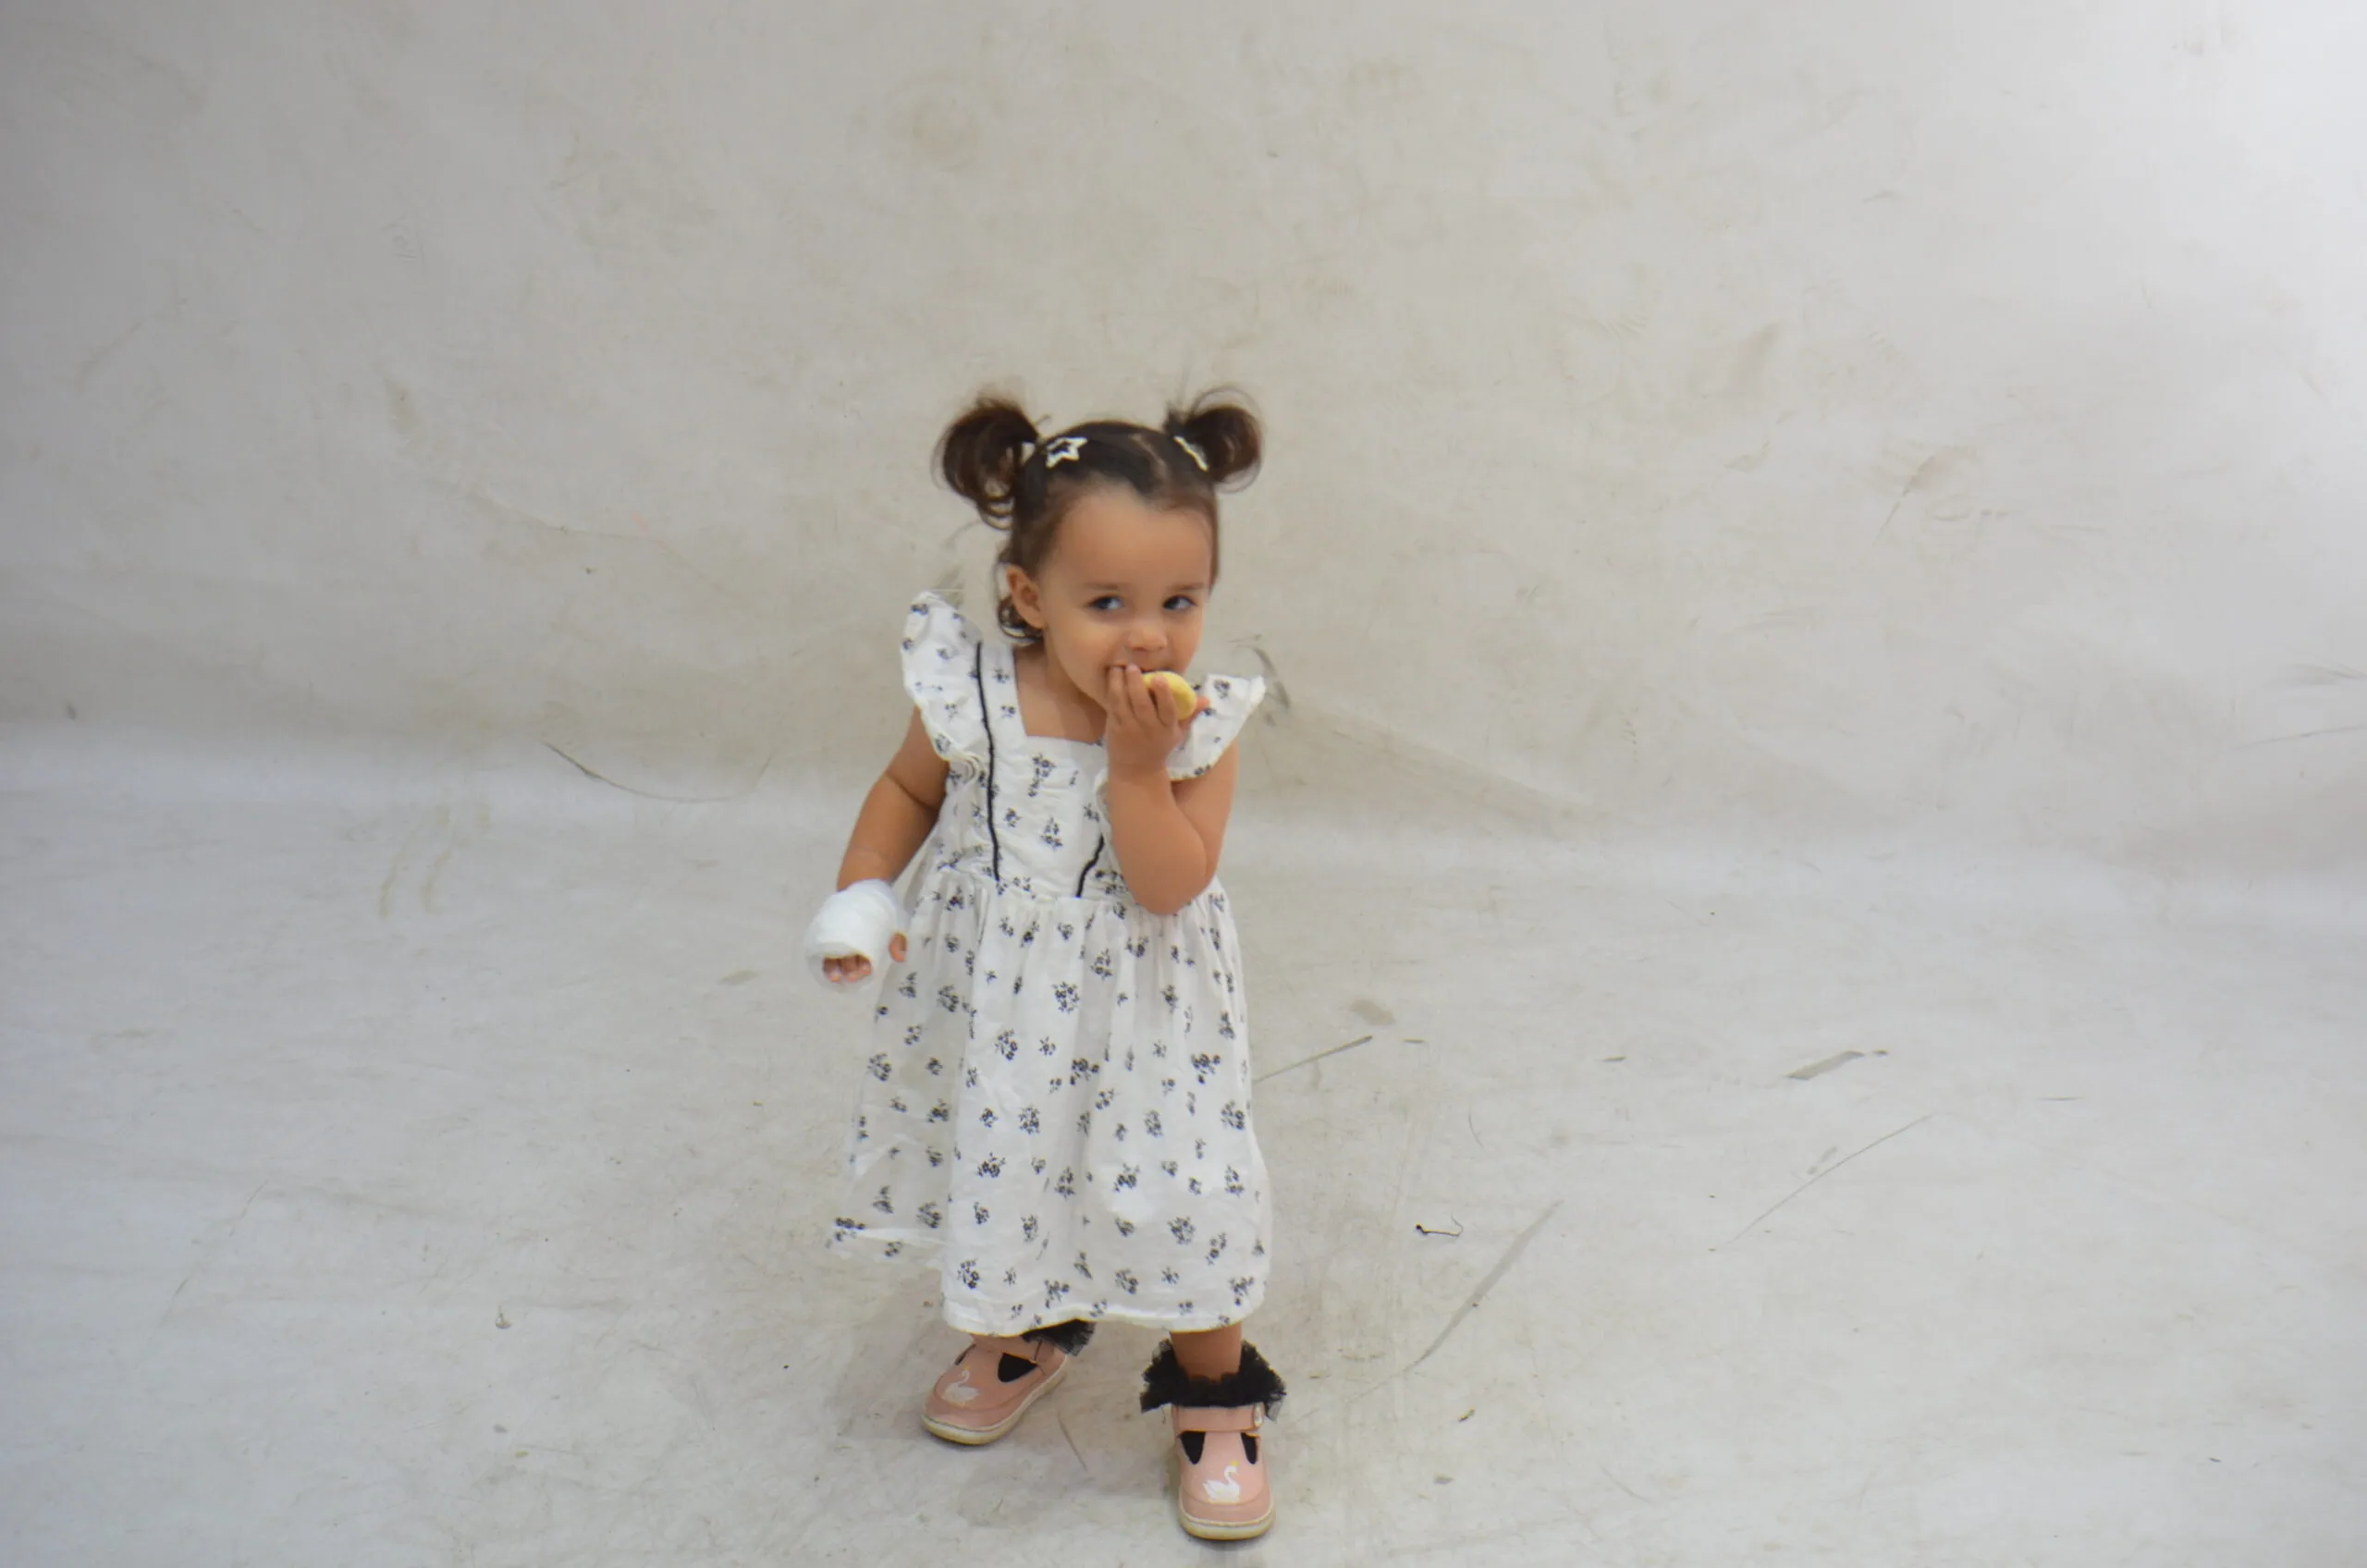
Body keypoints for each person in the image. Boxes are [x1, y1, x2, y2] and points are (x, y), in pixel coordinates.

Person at [803, 391, 1285, 1540]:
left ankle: (1213, 1386)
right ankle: (1032, 1320)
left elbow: (1168, 883)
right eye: (1106, 602)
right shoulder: (969, 692)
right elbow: (908, 788)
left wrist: (1138, 768)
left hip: (1146, 1019)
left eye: (1179, 601)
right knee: (1020, 1153)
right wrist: (864, 891)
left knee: (1180, 1187)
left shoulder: (1196, 730)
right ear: (1027, 596)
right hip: (1003, 1007)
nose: (1149, 635)